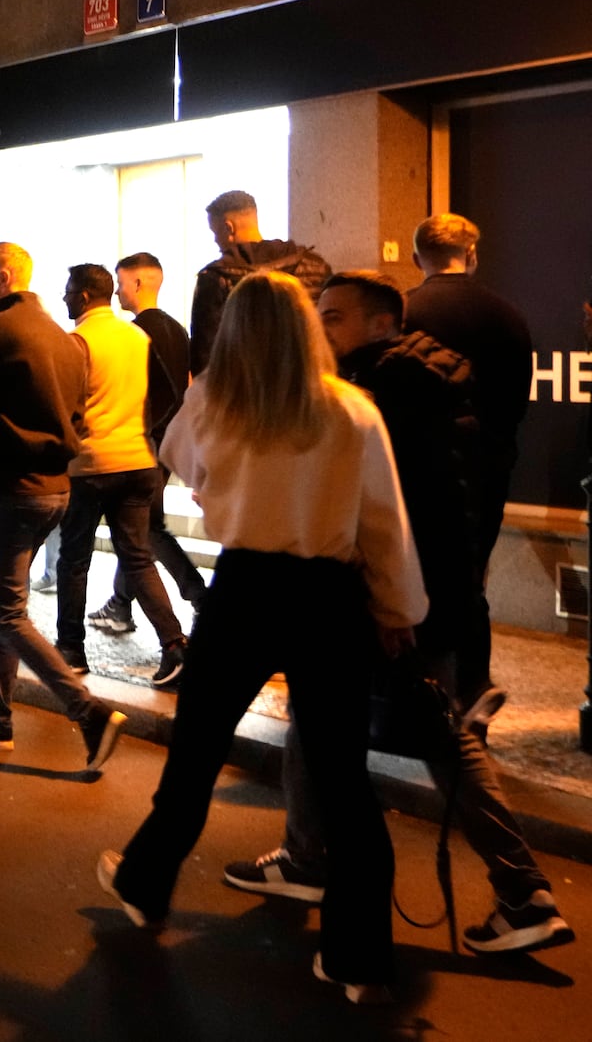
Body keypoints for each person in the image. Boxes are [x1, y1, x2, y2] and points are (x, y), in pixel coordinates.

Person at [98, 271, 427, 1006]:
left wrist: (229, 483)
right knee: (343, 776)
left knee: (198, 752)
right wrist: (397, 607)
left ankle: (145, 885)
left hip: (245, 589)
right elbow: (384, 521)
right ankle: (357, 954)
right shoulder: (352, 409)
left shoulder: (218, 399)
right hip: (331, 596)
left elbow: (179, 459)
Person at [221, 270, 573, 956]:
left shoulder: (375, 395)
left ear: (382, 324)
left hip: (393, 599)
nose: (319, 328)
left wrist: (388, 601)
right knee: (414, 730)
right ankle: (316, 855)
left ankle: (516, 888)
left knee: (429, 734)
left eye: (334, 317)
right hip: (434, 590)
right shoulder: (429, 381)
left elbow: (379, 512)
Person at [0, 243, 127, 770]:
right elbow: (77, 414)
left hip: (11, 492)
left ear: (5, 276)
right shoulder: (64, 338)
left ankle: (89, 713)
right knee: (4, 609)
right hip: (54, 489)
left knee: (5, 613)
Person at [403, 213, 534, 721]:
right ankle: (469, 688)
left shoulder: (406, 311)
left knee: (421, 577)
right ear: (472, 255)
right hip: (489, 467)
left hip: (420, 470)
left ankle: (430, 696)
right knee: (471, 578)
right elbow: (516, 404)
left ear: (417, 259)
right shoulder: (508, 316)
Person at [53, 263, 189, 687]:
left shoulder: (78, 340)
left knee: (74, 560)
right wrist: (142, 429)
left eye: (69, 290)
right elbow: (170, 393)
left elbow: (65, 406)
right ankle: (174, 645)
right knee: (137, 556)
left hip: (91, 465)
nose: (64, 297)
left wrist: (74, 439)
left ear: (87, 295)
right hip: (138, 461)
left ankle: (71, 651)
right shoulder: (137, 336)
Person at [87, 252, 206, 634]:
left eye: (121, 283)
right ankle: (120, 604)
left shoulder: (138, 332)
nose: (118, 292)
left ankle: (198, 595)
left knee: (147, 529)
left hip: (147, 442)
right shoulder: (177, 329)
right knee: (136, 529)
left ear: (137, 284)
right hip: (167, 441)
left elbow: (149, 393)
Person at [189, 190, 332, 376]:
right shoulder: (315, 266)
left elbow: (206, 356)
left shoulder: (215, 277)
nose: (215, 240)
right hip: (308, 383)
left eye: (214, 233)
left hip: (246, 392)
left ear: (229, 227)